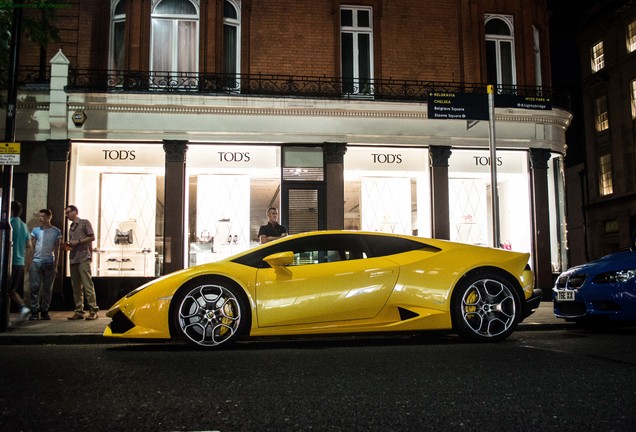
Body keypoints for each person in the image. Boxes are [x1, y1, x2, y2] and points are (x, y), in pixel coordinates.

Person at [64, 205, 99, 320]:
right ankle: (79, 310)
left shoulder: (84, 223)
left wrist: (77, 242)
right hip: (73, 258)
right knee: (76, 286)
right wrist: (69, 245)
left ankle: (93, 310)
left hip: (83, 257)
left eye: (68, 212)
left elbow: (92, 237)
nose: (67, 215)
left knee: (87, 284)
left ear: (75, 212)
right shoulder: (71, 227)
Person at [28, 209, 62, 320]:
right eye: (39, 216)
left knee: (48, 288)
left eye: (42, 216)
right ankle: (34, 310)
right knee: (34, 287)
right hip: (37, 261)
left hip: (49, 261)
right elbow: (32, 247)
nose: (40, 218)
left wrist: (56, 265)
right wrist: (30, 262)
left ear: (48, 217)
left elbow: (57, 249)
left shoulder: (56, 231)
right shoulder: (36, 230)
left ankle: (45, 310)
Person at [9, 201, 32, 322]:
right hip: (20, 262)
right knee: (11, 289)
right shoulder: (23, 225)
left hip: (9, 263)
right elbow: (29, 245)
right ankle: (22, 307)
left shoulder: (9, 224)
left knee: (8, 289)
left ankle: (23, 307)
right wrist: (27, 262)